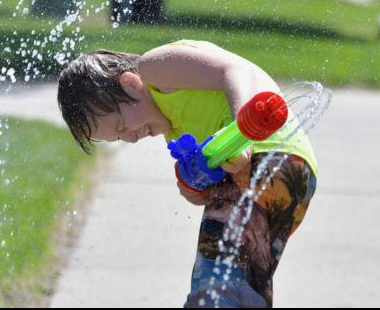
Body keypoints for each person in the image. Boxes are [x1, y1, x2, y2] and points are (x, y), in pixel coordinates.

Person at [57, 39, 317, 308]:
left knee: (216, 291)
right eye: (118, 138)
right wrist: (197, 187)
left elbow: (235, 70)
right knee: (240, 286)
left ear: (130, 84)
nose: (129, 138)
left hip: (268, 156)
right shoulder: (175, 127)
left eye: (121, 126)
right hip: (293, 172)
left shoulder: (155, 69)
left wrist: (243, 132)